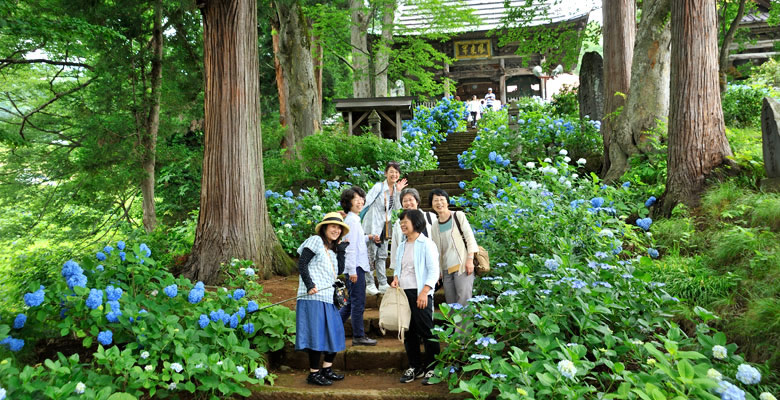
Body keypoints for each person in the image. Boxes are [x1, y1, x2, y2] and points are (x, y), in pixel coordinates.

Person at [295, 212, 350, 386]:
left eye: (339, 227)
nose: (336, 230)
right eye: (333, 226)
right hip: (312, 296)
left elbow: (339, 269)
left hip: (327, 298)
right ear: (325, 227)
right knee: (316, 335)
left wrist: (341, 252)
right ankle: (314, 373)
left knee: (336, 332)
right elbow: (302, 263)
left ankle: (326, 369)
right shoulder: (315, 241)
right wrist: (310, 285)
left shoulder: (332, 250)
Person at [390, 209, 440, 385]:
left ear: (416, 223)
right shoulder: (402, 245)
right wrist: (396, 278)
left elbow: (434, 271)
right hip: (404, 293)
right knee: (408, 331)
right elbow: (398, 268)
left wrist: (425, 291)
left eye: (406, 221)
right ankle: (415, 366)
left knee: (427, 331)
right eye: (401, 221)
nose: (402, 224)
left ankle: (433, 368)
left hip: (421, 293)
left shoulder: (427, 244)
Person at [338, 187, 377, 346]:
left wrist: (369, 237)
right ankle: (359, 336)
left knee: (351, 302)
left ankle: (332, 327)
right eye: (356, 199)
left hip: (357, 267)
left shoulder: (353, 219)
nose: (360, 201)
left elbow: (357, 240)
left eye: (362, 198)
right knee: (358, 303)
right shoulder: (352, 221)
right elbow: (351, 248)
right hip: (356, 268)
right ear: (349, 202)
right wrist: (353, 271)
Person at [362, 161, 407, 295]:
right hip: (373, 226)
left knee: (381, 256)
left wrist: (399, 192)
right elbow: (366, 202)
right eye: (391, 171)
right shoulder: (378, 187)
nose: (394, 174)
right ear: (386, 173)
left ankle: (382, 283)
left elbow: (398, 208)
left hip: (385, 227)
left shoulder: (395, 190)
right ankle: (369, 283)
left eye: (396, 172)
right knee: (371, 255)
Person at [428, 189, 479, 306]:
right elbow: (436, 251)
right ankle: (455, 325)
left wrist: (470, 260)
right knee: (451, 304)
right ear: (431, 204)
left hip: (462, 266)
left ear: (447, 202)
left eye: (442, 199)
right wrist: (438, 271)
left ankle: (465, 325)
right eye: (435, 200)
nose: (439, 203)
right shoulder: (434, 226)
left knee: (464, 301)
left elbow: (469, 238)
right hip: (446, 270)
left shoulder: (458, 216)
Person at [389, 188, 434, 272]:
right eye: (405, 201)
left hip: (427, 264)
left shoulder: (430, 217)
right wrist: (396, 267)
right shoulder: (398, 222)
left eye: (410, 200)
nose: (408, 203)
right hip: (407, 267)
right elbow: (395, 245)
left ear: (417, 201)